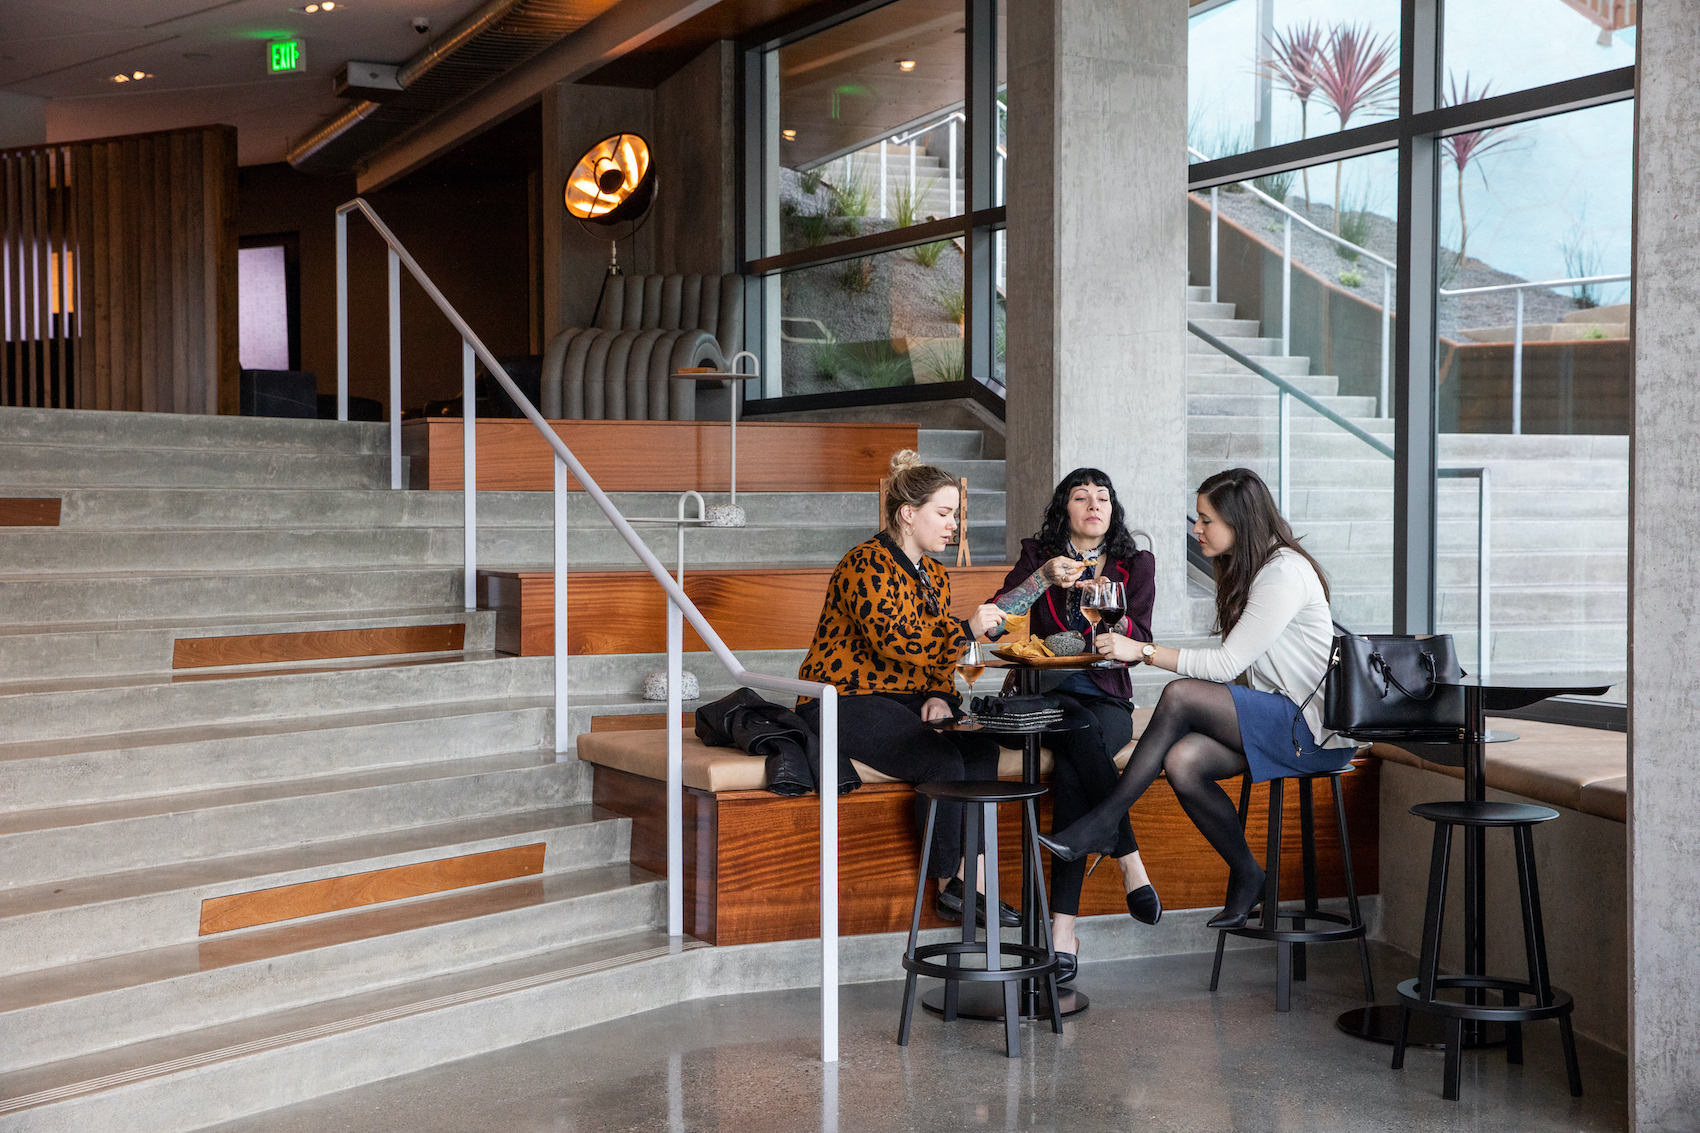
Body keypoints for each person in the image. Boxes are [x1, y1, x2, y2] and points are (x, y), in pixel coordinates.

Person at [1037, 467, 1357, 930]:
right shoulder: (1253, 570)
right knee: (1184, 760)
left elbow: (1225, 666)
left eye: (1206, 520)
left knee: (1180, 695)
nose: (1196, 529)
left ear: (1239, 523)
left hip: (1311, 729)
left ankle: (1103, 822)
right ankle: (1249, 872)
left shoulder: (1284, 572)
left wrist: (1142, 650)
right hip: (1278, 718)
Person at [796, 450, 1013, 926]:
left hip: (905, 698)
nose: (952, 524)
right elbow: (896, 639)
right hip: (843, 698)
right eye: (943, 513)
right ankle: (946, 884)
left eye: (955, 514)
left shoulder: (934, 574)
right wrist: (968, 631)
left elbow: (934, 658)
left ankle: (971, 886)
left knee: (980, 753)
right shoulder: (864, 562)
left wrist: (941, 695)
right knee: (940, 760)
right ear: (907, 514)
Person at [989, 469, 1158, 984]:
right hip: (1045, 697)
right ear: (1065, 508)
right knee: (1076, 741)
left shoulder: (1135, 564)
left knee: (1073, 769)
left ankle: (1062, 933)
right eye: (1081, 497)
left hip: (1107, 698)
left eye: (1103, 497)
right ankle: (1128, 861)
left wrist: (1115, 620)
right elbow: (998, 617)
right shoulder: (1039, 556)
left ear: (1113, 509)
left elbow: (1143, 636)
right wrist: (1041, 579)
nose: (1093, 505)